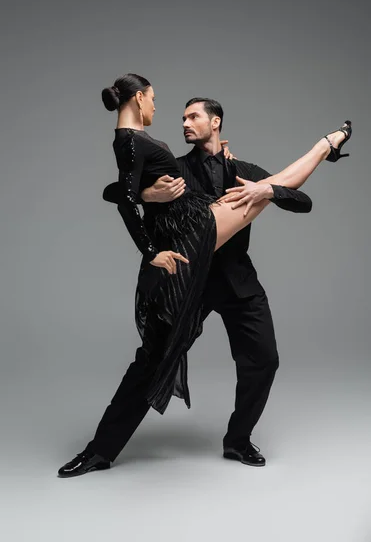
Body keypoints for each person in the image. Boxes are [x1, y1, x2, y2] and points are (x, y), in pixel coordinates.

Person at [58, 74, 352, 477]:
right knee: (150, 363)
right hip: (188, 279)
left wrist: (267, 192)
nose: (183, 123)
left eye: (193, 116)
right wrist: (148, 195)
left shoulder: (243, 169)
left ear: (216, 122)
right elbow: (116, 190)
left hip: (237, 282)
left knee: (263, 361)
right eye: (181, 117)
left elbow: (302, 201)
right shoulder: (175, 168)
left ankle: (238, 441)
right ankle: (99, 451)